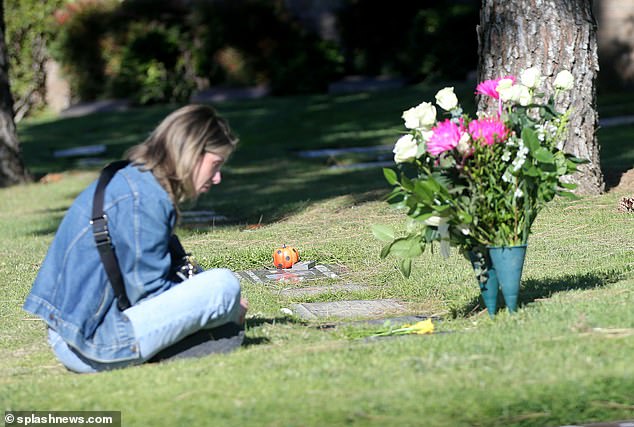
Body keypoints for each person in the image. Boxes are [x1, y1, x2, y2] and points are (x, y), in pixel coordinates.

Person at [23, 104, 248, 373]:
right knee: (223, 286)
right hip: (91, 343)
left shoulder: (135, 180)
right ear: (191, 153)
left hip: (74, 332)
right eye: (215, 165)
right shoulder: (145, 199)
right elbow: (149, 295)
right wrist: (222, 309)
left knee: (211, 287)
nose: (218, 177)